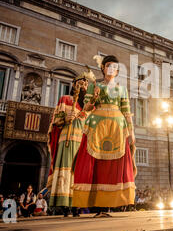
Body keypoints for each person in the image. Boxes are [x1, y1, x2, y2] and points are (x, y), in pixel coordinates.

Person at [72, 55, 137, 217]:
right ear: (103, 68)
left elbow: (127, 112)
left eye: (115, 67)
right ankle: (98, 207)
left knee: (113, 168)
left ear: (117, 71)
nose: (111, 69)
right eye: (108, 66)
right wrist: (93, 98)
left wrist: (132, 132)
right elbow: (86, 108)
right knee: (97, 166)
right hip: (97, 127)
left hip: (117, 128)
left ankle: (107, 206)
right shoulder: (95, 85)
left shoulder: (122, 89)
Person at [46, 71, 91, 217]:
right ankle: (65, 206)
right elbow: (55, 121)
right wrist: (66, 118)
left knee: (79, 173)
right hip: (67, 139)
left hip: (82, 142)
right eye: (80, 84)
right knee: (66, 171)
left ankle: (77, 205)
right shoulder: (65, 99)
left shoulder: (88, 107)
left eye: (85, 85)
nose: (82, 86)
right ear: (74, 85)